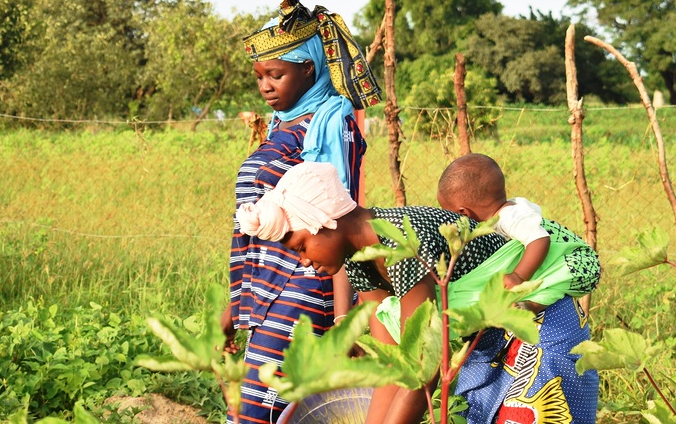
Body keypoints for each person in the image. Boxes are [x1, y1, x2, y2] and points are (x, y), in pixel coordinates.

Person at [236, 161, 598, 424]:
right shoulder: (361, 261)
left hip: (538, 321)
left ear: (323, 221)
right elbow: (393, 363)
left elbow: (423, 363)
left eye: (300, 246)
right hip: (488, 336)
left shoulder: (402, 242)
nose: (303, 261)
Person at [224, 0, 381, 423]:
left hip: (302, 289)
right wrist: (234, 306)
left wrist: (346, 320)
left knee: (269, 411)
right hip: (264, 291)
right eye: (259, 77)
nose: (265, 86)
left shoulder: (330, 123)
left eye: (276, 74)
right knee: (258, 411)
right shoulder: (282, 127)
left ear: (308, 68)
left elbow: (340, 220)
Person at [436, 153, 601, 314]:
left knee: (552, 283)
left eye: (449, 213)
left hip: (580, 263)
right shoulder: (504, 213)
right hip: (569, 261)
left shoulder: (510, 216)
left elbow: (540, 239)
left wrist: (518, 276)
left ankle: (532, 307)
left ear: (464, 213)